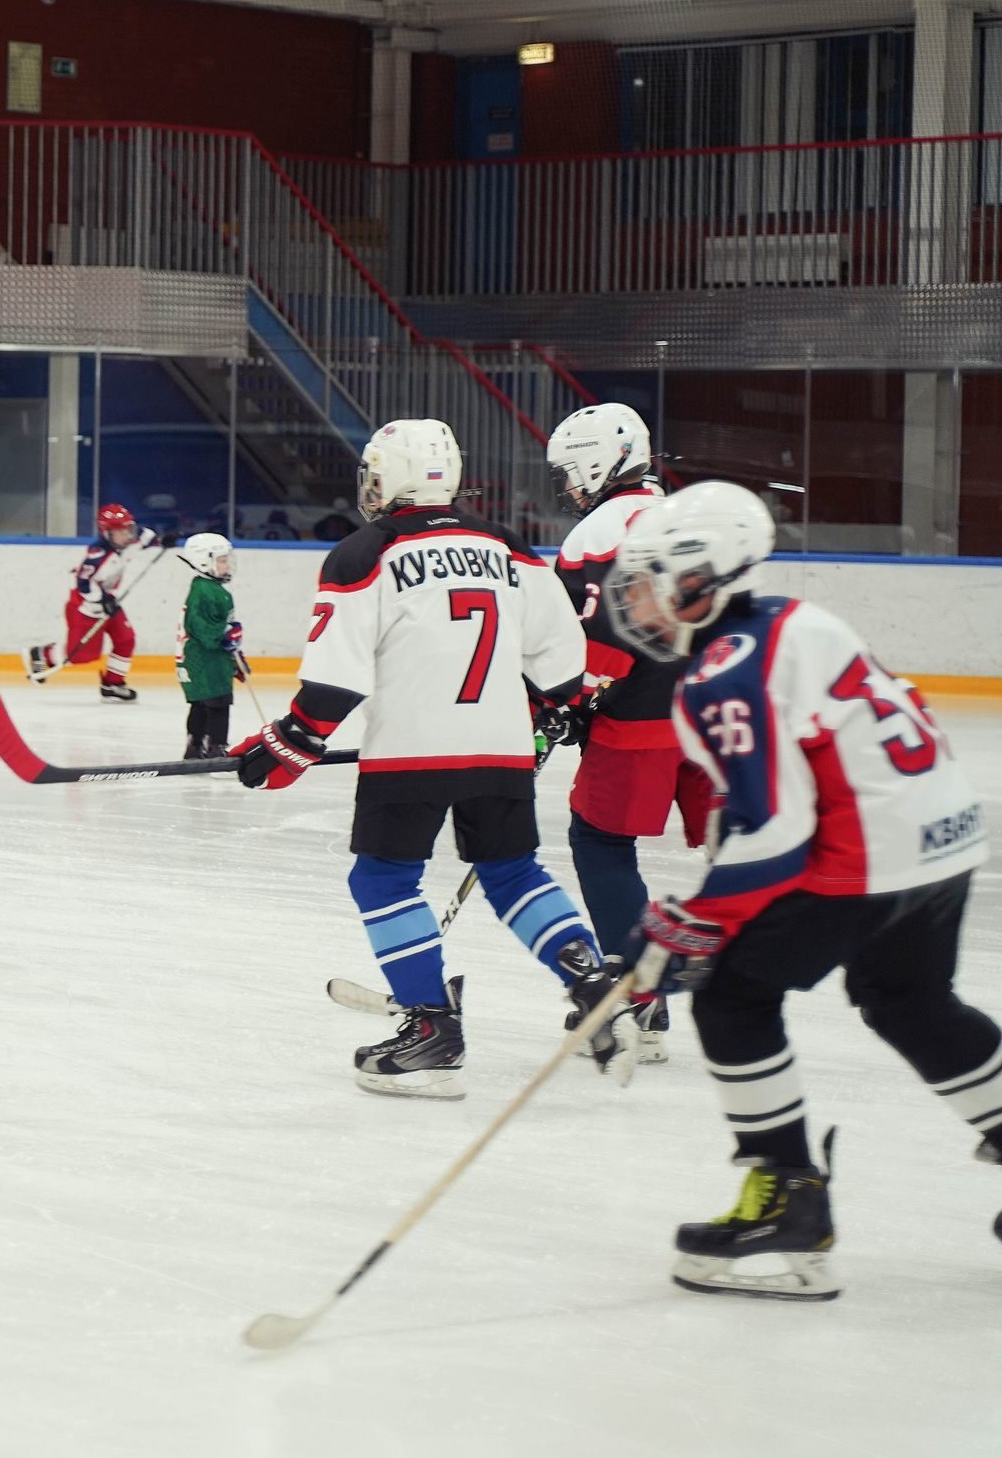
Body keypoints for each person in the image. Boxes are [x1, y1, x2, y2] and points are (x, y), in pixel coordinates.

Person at [608, 479, 1001, 1300]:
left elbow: (779, 833)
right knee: (908, 996)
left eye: (645, 578)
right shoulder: (793, 618)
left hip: (871, 851)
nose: (632, 597)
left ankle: (789, 1198)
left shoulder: (720, 671)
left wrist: (689, 923)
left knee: (729, 998)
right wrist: (707, 906)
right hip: (944, 830)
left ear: (696, 579)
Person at [235, 418, 632, 1098]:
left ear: (386, 476)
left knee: (383, 882)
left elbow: (336, 679)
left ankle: (431, 1032)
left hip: (410, 753)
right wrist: (552, 709)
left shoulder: (365, 552)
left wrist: (290, 742)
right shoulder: (506, 544)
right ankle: (594, 983)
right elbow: (564, 662)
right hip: (501, 745)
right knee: (513, 874)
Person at [546, 401, 713, 1064]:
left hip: (639, 724)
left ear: (594, 460)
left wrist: (566, 702)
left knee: (601, 841)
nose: (566, 485)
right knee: (733, 849)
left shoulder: (594, 534)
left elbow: (597, 637)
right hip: (716, 717)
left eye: (569, 471)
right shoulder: (691, 517)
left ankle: (641, 988)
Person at [22, 503, 162, 703]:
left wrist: (162, 540)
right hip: (87, 607)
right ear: (106, 533)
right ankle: (42, 654)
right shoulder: (97, 556)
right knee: (80, 656)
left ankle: (113, 684)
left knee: (126, 640)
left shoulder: (127, 541)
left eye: (128, 529)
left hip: (109, 601)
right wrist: (103, 600)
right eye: (120, 531)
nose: (127, 535)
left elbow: (145, 535)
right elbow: (83, 584)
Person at [174, 533, 241, 760]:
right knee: (218, 702)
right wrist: (225, 635)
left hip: (203, 657)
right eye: (222, 560)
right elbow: (200, 627)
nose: (227, 564)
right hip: (205, 659)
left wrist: (235, 658)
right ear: (204, 561)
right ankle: (216, 748)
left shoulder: (207, 588)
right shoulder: (207, 591)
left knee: (202, 703)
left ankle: (195, 746)